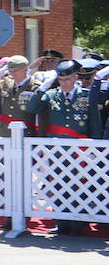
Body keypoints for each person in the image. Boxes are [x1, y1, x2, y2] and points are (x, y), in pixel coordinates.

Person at [25, 60, 104, 235]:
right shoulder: (52, 95)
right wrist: (43, 87)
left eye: (68, 79)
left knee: (78, 185)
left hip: (80, 149)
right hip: (57, 149)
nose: (64, 83)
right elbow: (31, 108)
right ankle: (61, 222)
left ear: (75, 78)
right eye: (61, 80)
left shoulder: (86, 95)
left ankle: (76, 223)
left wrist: (96, 148)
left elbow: (95, 123)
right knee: (58, 185)